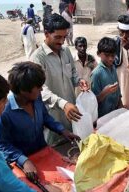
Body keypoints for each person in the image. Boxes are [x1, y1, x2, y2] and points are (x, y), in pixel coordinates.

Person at [0, 62, 80, 181]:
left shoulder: (36, 97)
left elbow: (45, 117)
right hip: (24, 164)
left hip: (44, 152)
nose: (41, 90)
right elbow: (1, 144)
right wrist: (23, 160)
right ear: (24, 90)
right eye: (38, 87)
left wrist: (62, 130)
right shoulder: (4, 113)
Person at [30, 13, 88, 147]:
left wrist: (79, 81)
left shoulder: (66, 51)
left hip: (71, 114)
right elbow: (41, 90)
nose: (62, 41)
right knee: (55, 150)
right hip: (52, 118)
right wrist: (63, 104)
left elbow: (73, 73)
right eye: (57, 37)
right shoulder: (38, 58)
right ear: (46, 34)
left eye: (64, 37)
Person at [91, 37, 123, 118]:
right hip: (103, 116)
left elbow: (118, 92)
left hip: (115, 113)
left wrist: (120, 106)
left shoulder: (113, 68)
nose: (111, 59)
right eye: (107, 55)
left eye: (113, 55)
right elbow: (93, 101)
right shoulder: (96, 74)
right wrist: (105, 92)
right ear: (98, 53)